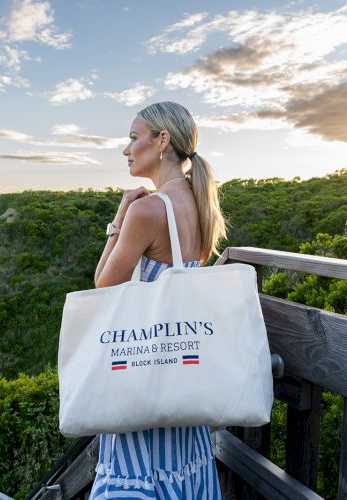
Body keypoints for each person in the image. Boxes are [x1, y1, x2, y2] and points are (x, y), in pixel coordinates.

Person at [91, 101, 227, 498]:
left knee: (141, 476)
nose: (126, 149)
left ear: (162, 140)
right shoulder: (202, 208)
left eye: (133, 138)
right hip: (183, 376)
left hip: (145, 375)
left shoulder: (148, 210)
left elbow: (104, 285)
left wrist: (120, 217)